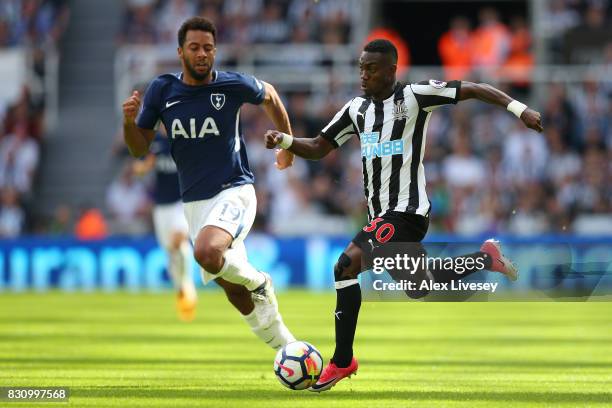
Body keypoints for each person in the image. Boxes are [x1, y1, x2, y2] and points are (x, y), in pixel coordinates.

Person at [265, 39, 543, 391]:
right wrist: (286, 141)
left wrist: (519, 109)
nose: (363, 74)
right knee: (419, 286)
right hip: (382, 216)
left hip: (407, 211)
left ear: (391, 70)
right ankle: (484, 257)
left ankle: (341, 360)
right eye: (361, 67)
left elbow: (473, 88)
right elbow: (320, 147)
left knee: (344, 266)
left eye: (371, 68)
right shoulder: (355, 110)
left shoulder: (415, 97)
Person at [122, 16, 296, 350]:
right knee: (233, 290)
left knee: (205, 252)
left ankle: (260, 280)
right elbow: (137, 147)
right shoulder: (162, 90)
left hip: (235, 190)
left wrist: (288, 146)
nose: (202, 54)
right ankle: (285, 347)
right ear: (180, 52)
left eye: (208, 48)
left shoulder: (230, 86)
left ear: (215, 52)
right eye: (195, 47)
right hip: (194, 205)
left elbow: (270, 95)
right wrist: (129, 122)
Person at [132, 124, 197, 321]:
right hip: (161, 206)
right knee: (171, 251)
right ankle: (181, 289)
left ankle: (187, 286)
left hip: (182, 201)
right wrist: (144, 166)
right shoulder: (155, 144)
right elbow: (139, 170)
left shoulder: (185, 140)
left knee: (179, 240)